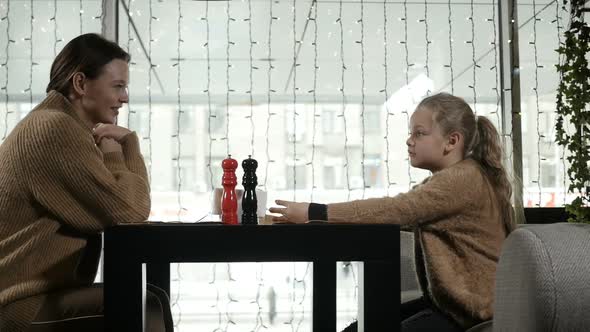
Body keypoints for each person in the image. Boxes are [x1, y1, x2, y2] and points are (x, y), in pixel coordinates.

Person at [270, 93, 516, 332]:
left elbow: (396, 209)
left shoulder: (462, 179)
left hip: (472, 312)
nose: (410, 140)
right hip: (454, 306)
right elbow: (390, 215)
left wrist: (315, 211)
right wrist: (316, 219)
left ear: (452, 141)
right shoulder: (458, 179)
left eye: (419, 133)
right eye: (411, 133)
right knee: (358, 328)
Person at [0, 33, 172, 332]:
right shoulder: (54, 129)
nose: (125, 97)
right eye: (118, 86)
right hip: (18, 306)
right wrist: (126, 147)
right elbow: (129, 211)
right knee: (145, 305)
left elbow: (122, 208)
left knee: (151, 298)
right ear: (80, 84)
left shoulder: (62, 125)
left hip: (35, 296)